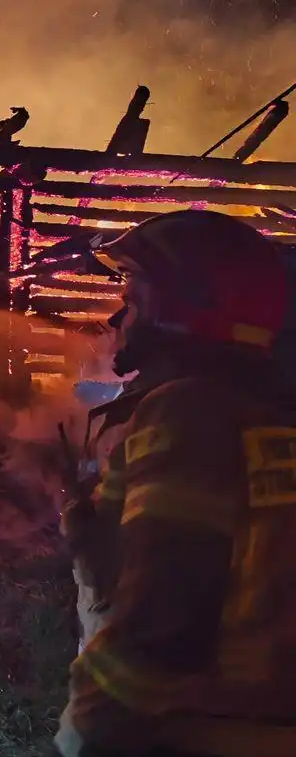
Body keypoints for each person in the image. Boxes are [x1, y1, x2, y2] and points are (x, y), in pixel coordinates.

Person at [54, 209, 296, 757]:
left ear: (181, 308)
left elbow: (166, 619)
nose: (118, 318)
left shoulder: (190, 412)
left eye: (133, 299)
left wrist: (86, 735)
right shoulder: (267, 412)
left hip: (201, 731)